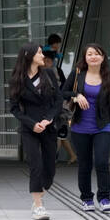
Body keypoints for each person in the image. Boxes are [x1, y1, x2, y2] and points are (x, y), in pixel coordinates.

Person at [65, 43, 110, 212]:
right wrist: (76, 95)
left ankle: (105, 198)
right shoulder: (77, 75)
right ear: (85, 57)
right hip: (79, 127)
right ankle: (86, 198)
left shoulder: (109, 79)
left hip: (102, 126)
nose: (93, 56)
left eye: (97, 54)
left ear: (103, 57)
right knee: (84, 164)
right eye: (89, 54)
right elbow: (62, 92)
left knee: (101, 162)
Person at [9, 43, 63, 220]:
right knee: (35, 165)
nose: (43, 55)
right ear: (29, 55)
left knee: (49, 171)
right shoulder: (18, 78)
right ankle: (39, 206)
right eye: (39, 52)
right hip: (29, 128)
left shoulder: (48, 74)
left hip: (48, 127)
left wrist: (49, 119)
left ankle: (38, 195)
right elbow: (15, 109)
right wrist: (32, 124)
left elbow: (58, 101)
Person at [45, 36, 77, 165]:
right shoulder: (52, 68)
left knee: (58, 133)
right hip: (56, 105)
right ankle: (56, 157)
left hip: (55, 106)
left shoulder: (51, 70)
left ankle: (53, 158)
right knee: (58, 133)